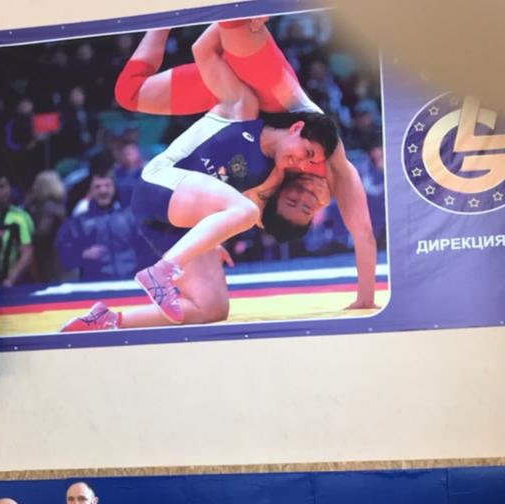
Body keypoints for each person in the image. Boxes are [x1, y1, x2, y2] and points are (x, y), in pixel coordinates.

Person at [67, 25, 348, 332]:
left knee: (213, 308)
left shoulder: (268, 181)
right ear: (296, 129)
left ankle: (108, 320)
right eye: (306, 153)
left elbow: (242, 208)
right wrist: (230, 17)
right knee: (244, 210)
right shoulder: (242, 106)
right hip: (158, 186)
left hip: (172, 224)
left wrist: (212, 239)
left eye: (309, 162)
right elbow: (202, 50)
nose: (301, 162)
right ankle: (160, 272)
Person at [112, 19, 378, 310]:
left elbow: (225, 201)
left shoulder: (266, 184)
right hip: (272, 93)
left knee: (129, 92)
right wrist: (366, 298)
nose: (307, 196)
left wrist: (213, 242)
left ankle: (163, 15)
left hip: (233, 95)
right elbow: (362, 233)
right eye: (309, 206)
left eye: (296, 203)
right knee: (237, 25)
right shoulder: (335, 163)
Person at [0, 170, 35, 287]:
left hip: (13, 285)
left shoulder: (20, 218)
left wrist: (10, 280)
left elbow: (27, 253)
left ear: (9, 188)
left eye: (1, 187)